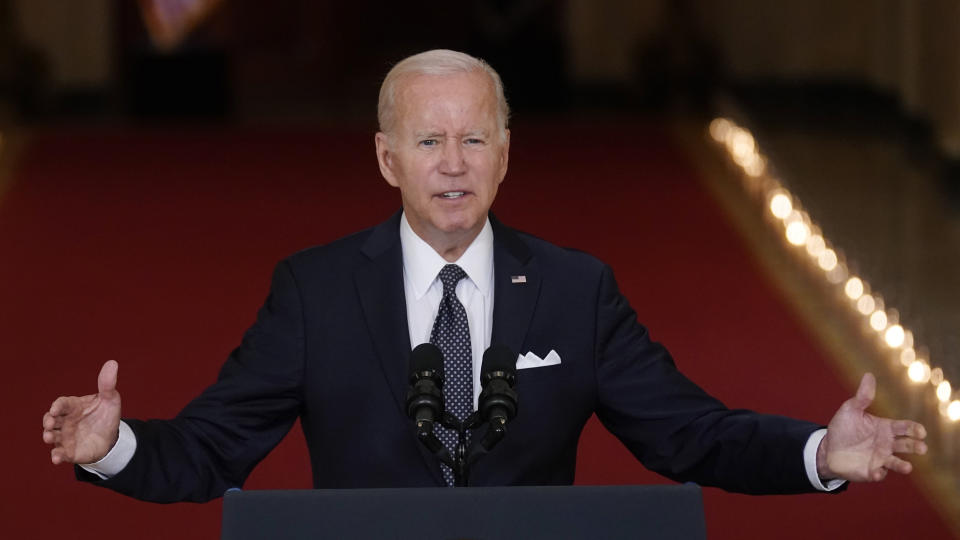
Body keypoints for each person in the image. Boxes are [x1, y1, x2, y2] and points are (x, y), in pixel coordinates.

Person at [42, 49, 927, 502]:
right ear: (388, 160)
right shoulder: (314, 292)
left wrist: (821, 452)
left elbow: (691, 434)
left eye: (475, 139)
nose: (454, 164)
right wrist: (112, 447)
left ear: (507, 154)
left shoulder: (577, 290)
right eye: (430, 141)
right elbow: (209, 452)